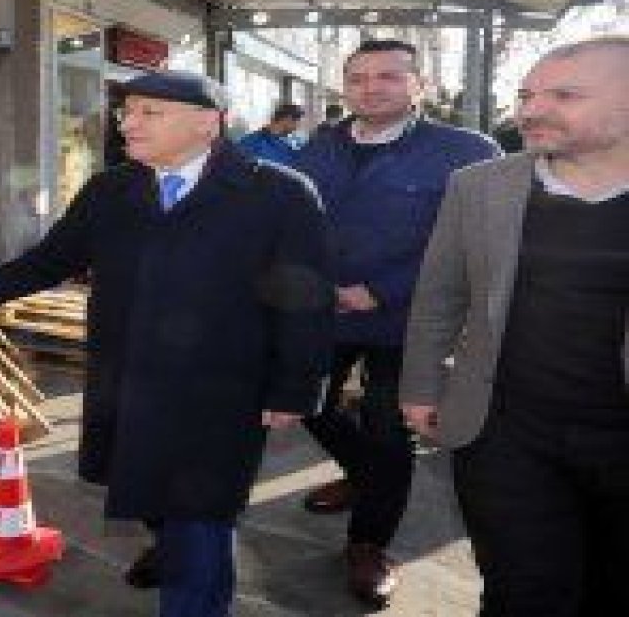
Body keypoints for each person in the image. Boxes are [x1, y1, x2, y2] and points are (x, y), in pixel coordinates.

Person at [0, 71, 334, 617]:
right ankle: (169, 549)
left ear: (207, 123)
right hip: (129, 377)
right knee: (147, 489)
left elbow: (304, 300)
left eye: (150, 112)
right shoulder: (111, 190)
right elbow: (50, 262)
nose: (129, 122)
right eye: (128, 111)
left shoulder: (277, 193)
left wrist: (294, 389)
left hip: (220, 389)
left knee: (202, 512)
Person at [401, 36, 629, 616]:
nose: (532, 110)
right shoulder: (480, 185)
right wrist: (422, 385)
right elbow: (440, 293)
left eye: (564, 95)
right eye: (527, 94)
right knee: (523, 592)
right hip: (505, 434)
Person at [292, 39, 500, 608]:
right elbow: (296, 222)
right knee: (306, 403)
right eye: (357, 77)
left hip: (410, 319)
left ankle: (368, 544)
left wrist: (381, 291)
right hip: (325, 313)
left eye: (388, 76)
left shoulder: (464, 150)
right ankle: (365, 475)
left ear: (420, 85)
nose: (370, 87)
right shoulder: (319, 145)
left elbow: (473, 241)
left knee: (389, 429)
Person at [236, 103, 305, 166]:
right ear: (288, 119)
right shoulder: (252, 142)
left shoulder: (289, 146)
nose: (296, 128)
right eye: (296, 122)